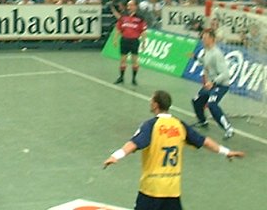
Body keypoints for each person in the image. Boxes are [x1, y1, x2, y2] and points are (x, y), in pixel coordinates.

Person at [103, 90, 244, 210]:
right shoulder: (179, 125)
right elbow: (203, 141)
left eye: (151, 100)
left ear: (155, 105)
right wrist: (226, 152)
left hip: (152, 190)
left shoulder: (150, 126)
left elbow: (134, 144)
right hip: (172, 191)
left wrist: (116, 156)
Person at [192, 28, 235, 138]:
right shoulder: (207, 51)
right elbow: (206, 63)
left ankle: (228, 128)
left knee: (212, 104)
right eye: (202, 38)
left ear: (212, 39)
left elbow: (225, 74)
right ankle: (203, 121)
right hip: (211, 84)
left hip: (220, 85)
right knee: (196, 100)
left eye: (205, 38)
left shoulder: (217, 54)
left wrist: (213, 82)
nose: (203, 40)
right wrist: (196, 58)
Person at [113, 0, 147, 85]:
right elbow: (118, 29)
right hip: (124, 40)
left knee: (134, 61)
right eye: (128, 5)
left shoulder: (140, 18)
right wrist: (115, 39)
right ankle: (121, 77)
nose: (129, 7)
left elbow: (143, 31)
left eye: (131, 5)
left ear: (136, 6)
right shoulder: (123, 16)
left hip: (134, 41)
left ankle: (134, 79)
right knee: (122, 60)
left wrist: (143, 42)